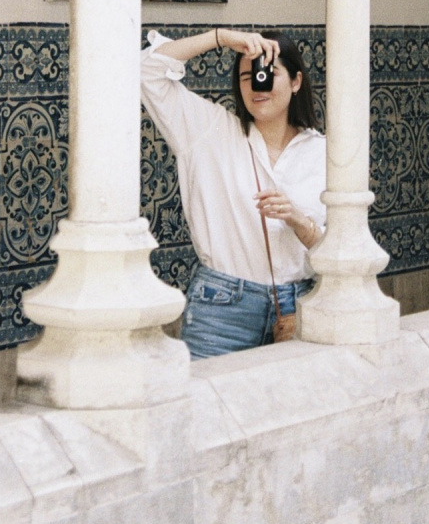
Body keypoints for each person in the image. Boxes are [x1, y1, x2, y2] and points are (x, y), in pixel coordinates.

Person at [140, 26, 326, 358]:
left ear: (296, 81)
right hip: (222, 312)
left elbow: (344, 250)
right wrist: (221, 38)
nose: (257, 86)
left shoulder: (324, 153)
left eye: (268, 74)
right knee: (207, 393)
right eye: (247, 77)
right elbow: (145, 72)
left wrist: (299, 221)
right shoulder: (209, 130)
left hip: (298, 307)